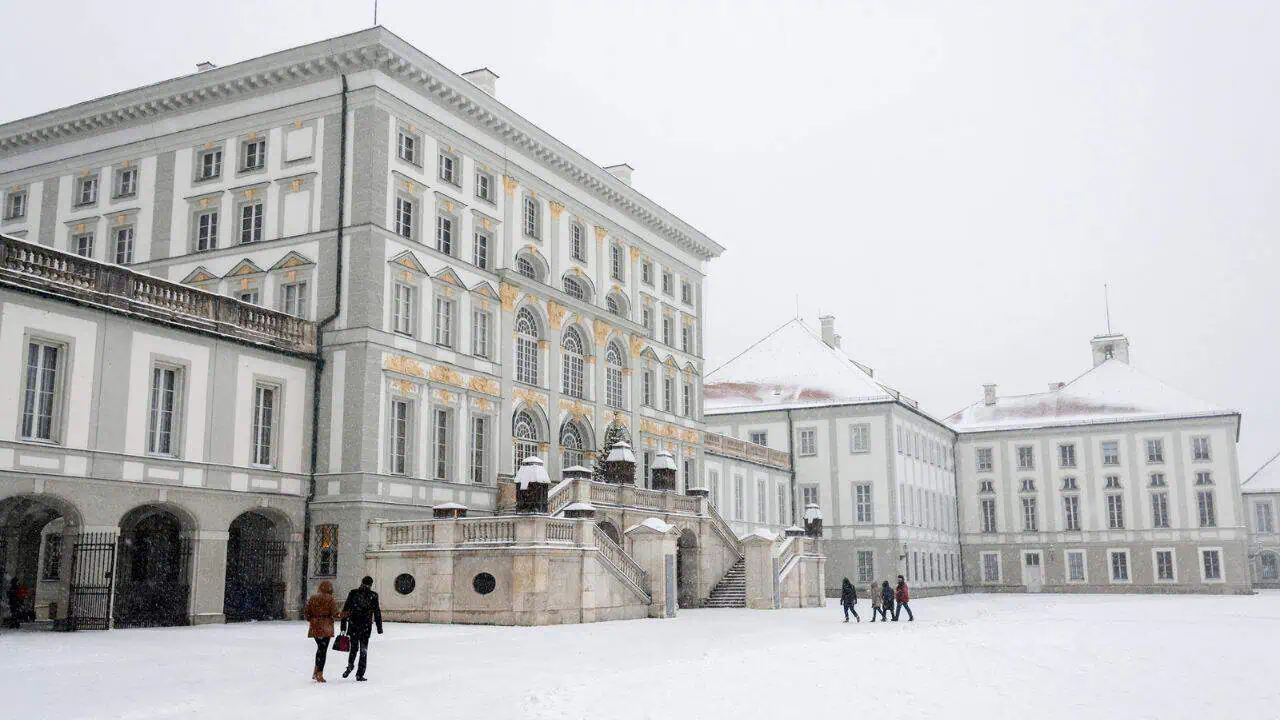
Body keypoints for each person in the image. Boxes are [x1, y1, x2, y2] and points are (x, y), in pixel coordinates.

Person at [341, 576, 383, 681]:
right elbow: (377, 612)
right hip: (365, 626)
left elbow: (345, 609)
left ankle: (350, 665)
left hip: (353, 625)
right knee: (363, 650)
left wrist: (343, 626)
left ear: (361, 582)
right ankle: (360, 674)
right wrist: (379, 628)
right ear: (371, 584)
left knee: (353, 648)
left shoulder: (353, 593)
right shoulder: (373, 595)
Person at [304, 580, 340, 683]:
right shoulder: (330, 599)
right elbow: (335, 613)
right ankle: (319, 673)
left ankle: (316, 671)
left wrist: (313, 619)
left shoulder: (313, 598)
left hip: (315, 626)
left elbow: (307, 613)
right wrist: (343, 614)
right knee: (323, 650)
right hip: (326, 626)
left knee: (320, 648)